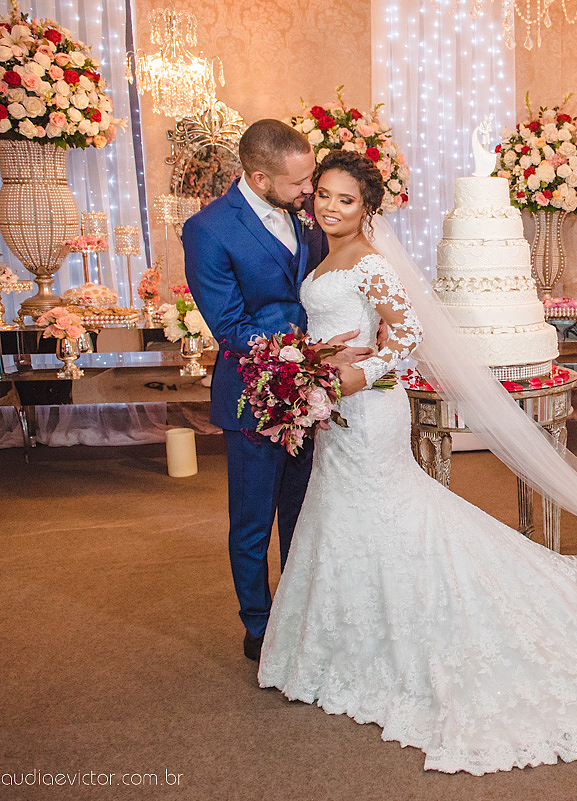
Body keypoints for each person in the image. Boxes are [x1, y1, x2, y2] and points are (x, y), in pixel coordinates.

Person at [257, 151, 577, 775]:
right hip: (336, 415)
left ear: (369, 207)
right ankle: (338, 649)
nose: (330, 207)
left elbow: (404, 341)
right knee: (341, 516)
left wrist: (351, 378)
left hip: (368, 410)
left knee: (389, 516)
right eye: (324, 194)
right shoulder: (322, 257)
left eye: (346, 199)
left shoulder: (372, 263)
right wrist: (306, 369)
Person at [183, 120, 372, 663]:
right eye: (298, 182)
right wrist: (310, 351)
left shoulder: (307, 219)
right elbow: (231, 328)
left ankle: (297, 611)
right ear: (259, 176)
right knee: (252, 520)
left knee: (300, 508)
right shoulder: (208, 230)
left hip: (311, 393)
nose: (309, 191)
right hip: (252, 396)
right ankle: (259, 627)